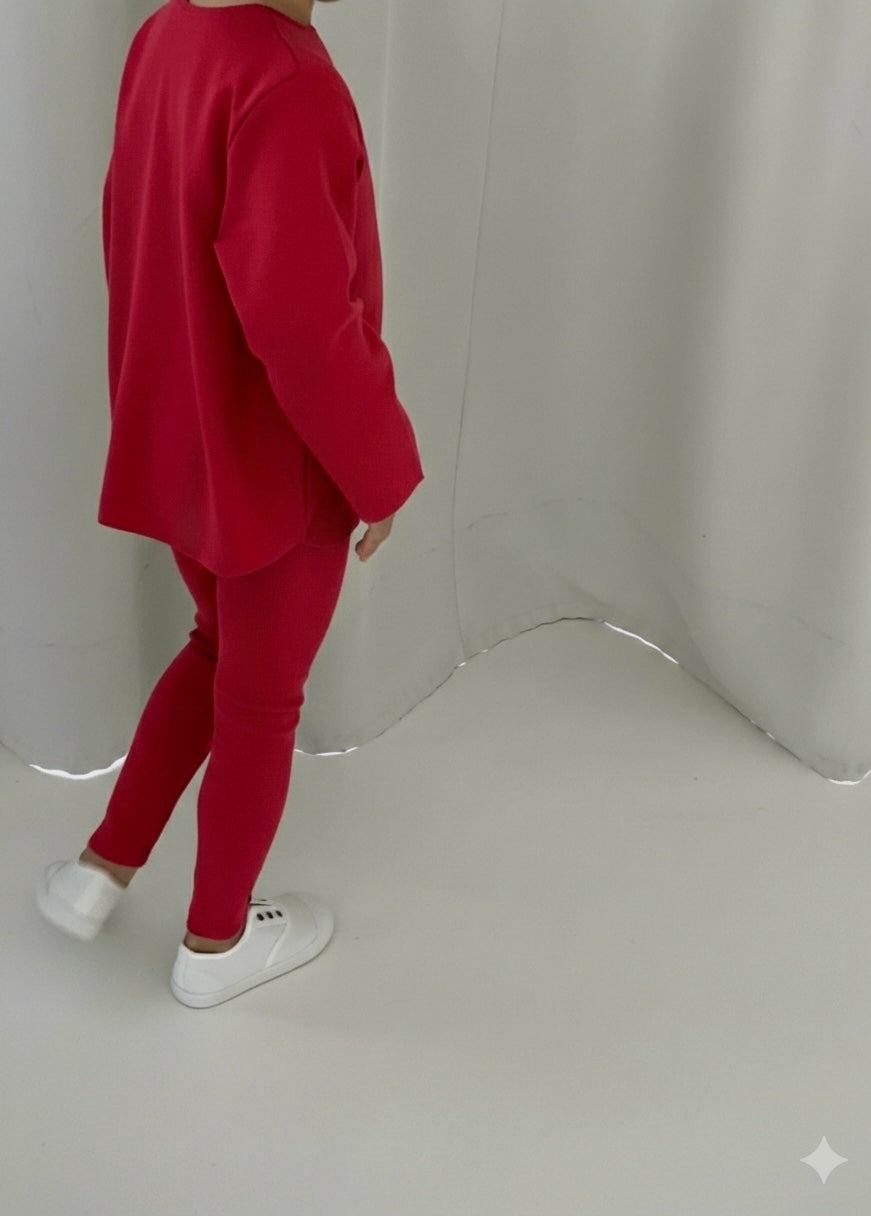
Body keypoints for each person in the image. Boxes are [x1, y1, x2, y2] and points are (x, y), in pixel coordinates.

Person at [35, 0, 425, 1008]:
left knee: (216, 648)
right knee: (260, 699)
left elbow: (129, 227)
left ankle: (99, 871)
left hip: (184, 440)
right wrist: (378, 466)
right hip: (275, 466)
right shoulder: (290, 84)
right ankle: (216, 944)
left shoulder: (166, 36)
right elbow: (302, 321)